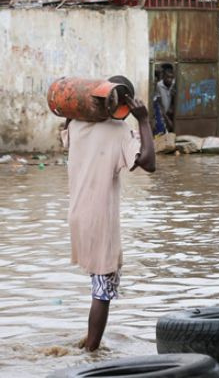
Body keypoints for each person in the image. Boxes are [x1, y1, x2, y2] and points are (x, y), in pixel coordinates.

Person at [62, 76, 155, 351]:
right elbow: (149, 163)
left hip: (77, 215)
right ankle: (91, 354)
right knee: (102, 291)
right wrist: (144, 121)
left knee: (99, 284)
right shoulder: (118, 132)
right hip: (101, 219)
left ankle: (88, 347)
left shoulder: (77, 125)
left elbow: (66, 124)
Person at [154, 63, 176, 132]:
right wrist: (167, 119)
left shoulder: (174, 84)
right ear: (163, 77)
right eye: (167, 77)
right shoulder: (159, 85)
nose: (170, 80)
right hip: (163, 114)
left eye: (171, 78)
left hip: (172, 114)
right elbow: (159, 104)